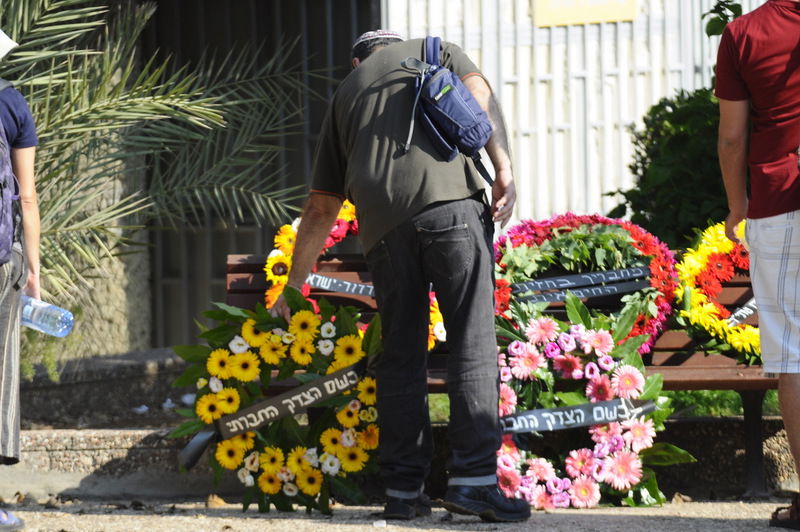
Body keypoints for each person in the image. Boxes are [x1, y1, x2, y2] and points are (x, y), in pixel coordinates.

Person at [270, 30, 530, 522]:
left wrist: (293, 284)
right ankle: (473, 482)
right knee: (471, 342)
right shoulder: (437, 51)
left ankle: (404, 492)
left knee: (401, 354)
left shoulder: (345, 95)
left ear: (356, 60)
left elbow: (321, 206)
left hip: (384, 230)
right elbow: (478, 97)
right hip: (452, 209)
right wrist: (503, 169)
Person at [715, 1, 800, 529]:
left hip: (779, 198)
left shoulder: (744, 33)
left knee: (793, 350)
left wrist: (737, 204)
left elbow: (731, 135)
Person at [0, 28, 40, 532]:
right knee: (0, 376)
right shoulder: (11, 103)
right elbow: (27, 199)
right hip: (0, 263)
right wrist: (33, 268)